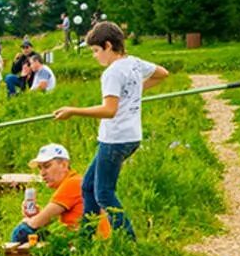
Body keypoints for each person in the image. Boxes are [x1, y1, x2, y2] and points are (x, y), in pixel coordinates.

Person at [53, 21, 169, 239]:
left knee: (104, 193)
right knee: (88, 186)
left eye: (96, 51)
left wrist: (73, 111)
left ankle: (128, 240)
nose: (95, 56)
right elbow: (163, 73)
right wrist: (133, 91)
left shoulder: (112, 73)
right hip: (130, 136)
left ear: (108, 46)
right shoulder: (133, 63)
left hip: (115, 139)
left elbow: (109, 110)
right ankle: (86, 237)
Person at [9, 143, 84, 243]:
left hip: (83, 241)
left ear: (64, 165)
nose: (42, 173)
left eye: (47, 166)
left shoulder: (73, 183)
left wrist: (28, 221)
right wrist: (34, 216)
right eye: (40, 168)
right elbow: (46, 219)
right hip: (79, 239)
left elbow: (35, 223)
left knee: (22, 231)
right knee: (32, 232)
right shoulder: (74, 181)